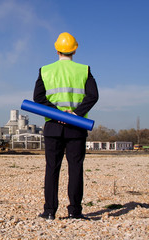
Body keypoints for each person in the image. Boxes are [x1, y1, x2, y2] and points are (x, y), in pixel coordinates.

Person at [33, 32, 99, 220]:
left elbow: (38, 98)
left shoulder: (45, 70)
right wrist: (75, 114)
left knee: (52, 168)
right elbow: (93, 96)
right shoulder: (84, 70)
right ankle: (75, 212)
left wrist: (57, 113)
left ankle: (49, 211)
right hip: (76, 126)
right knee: (75, 168)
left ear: (57, 49)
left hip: (53, 126)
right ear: (74, 50)